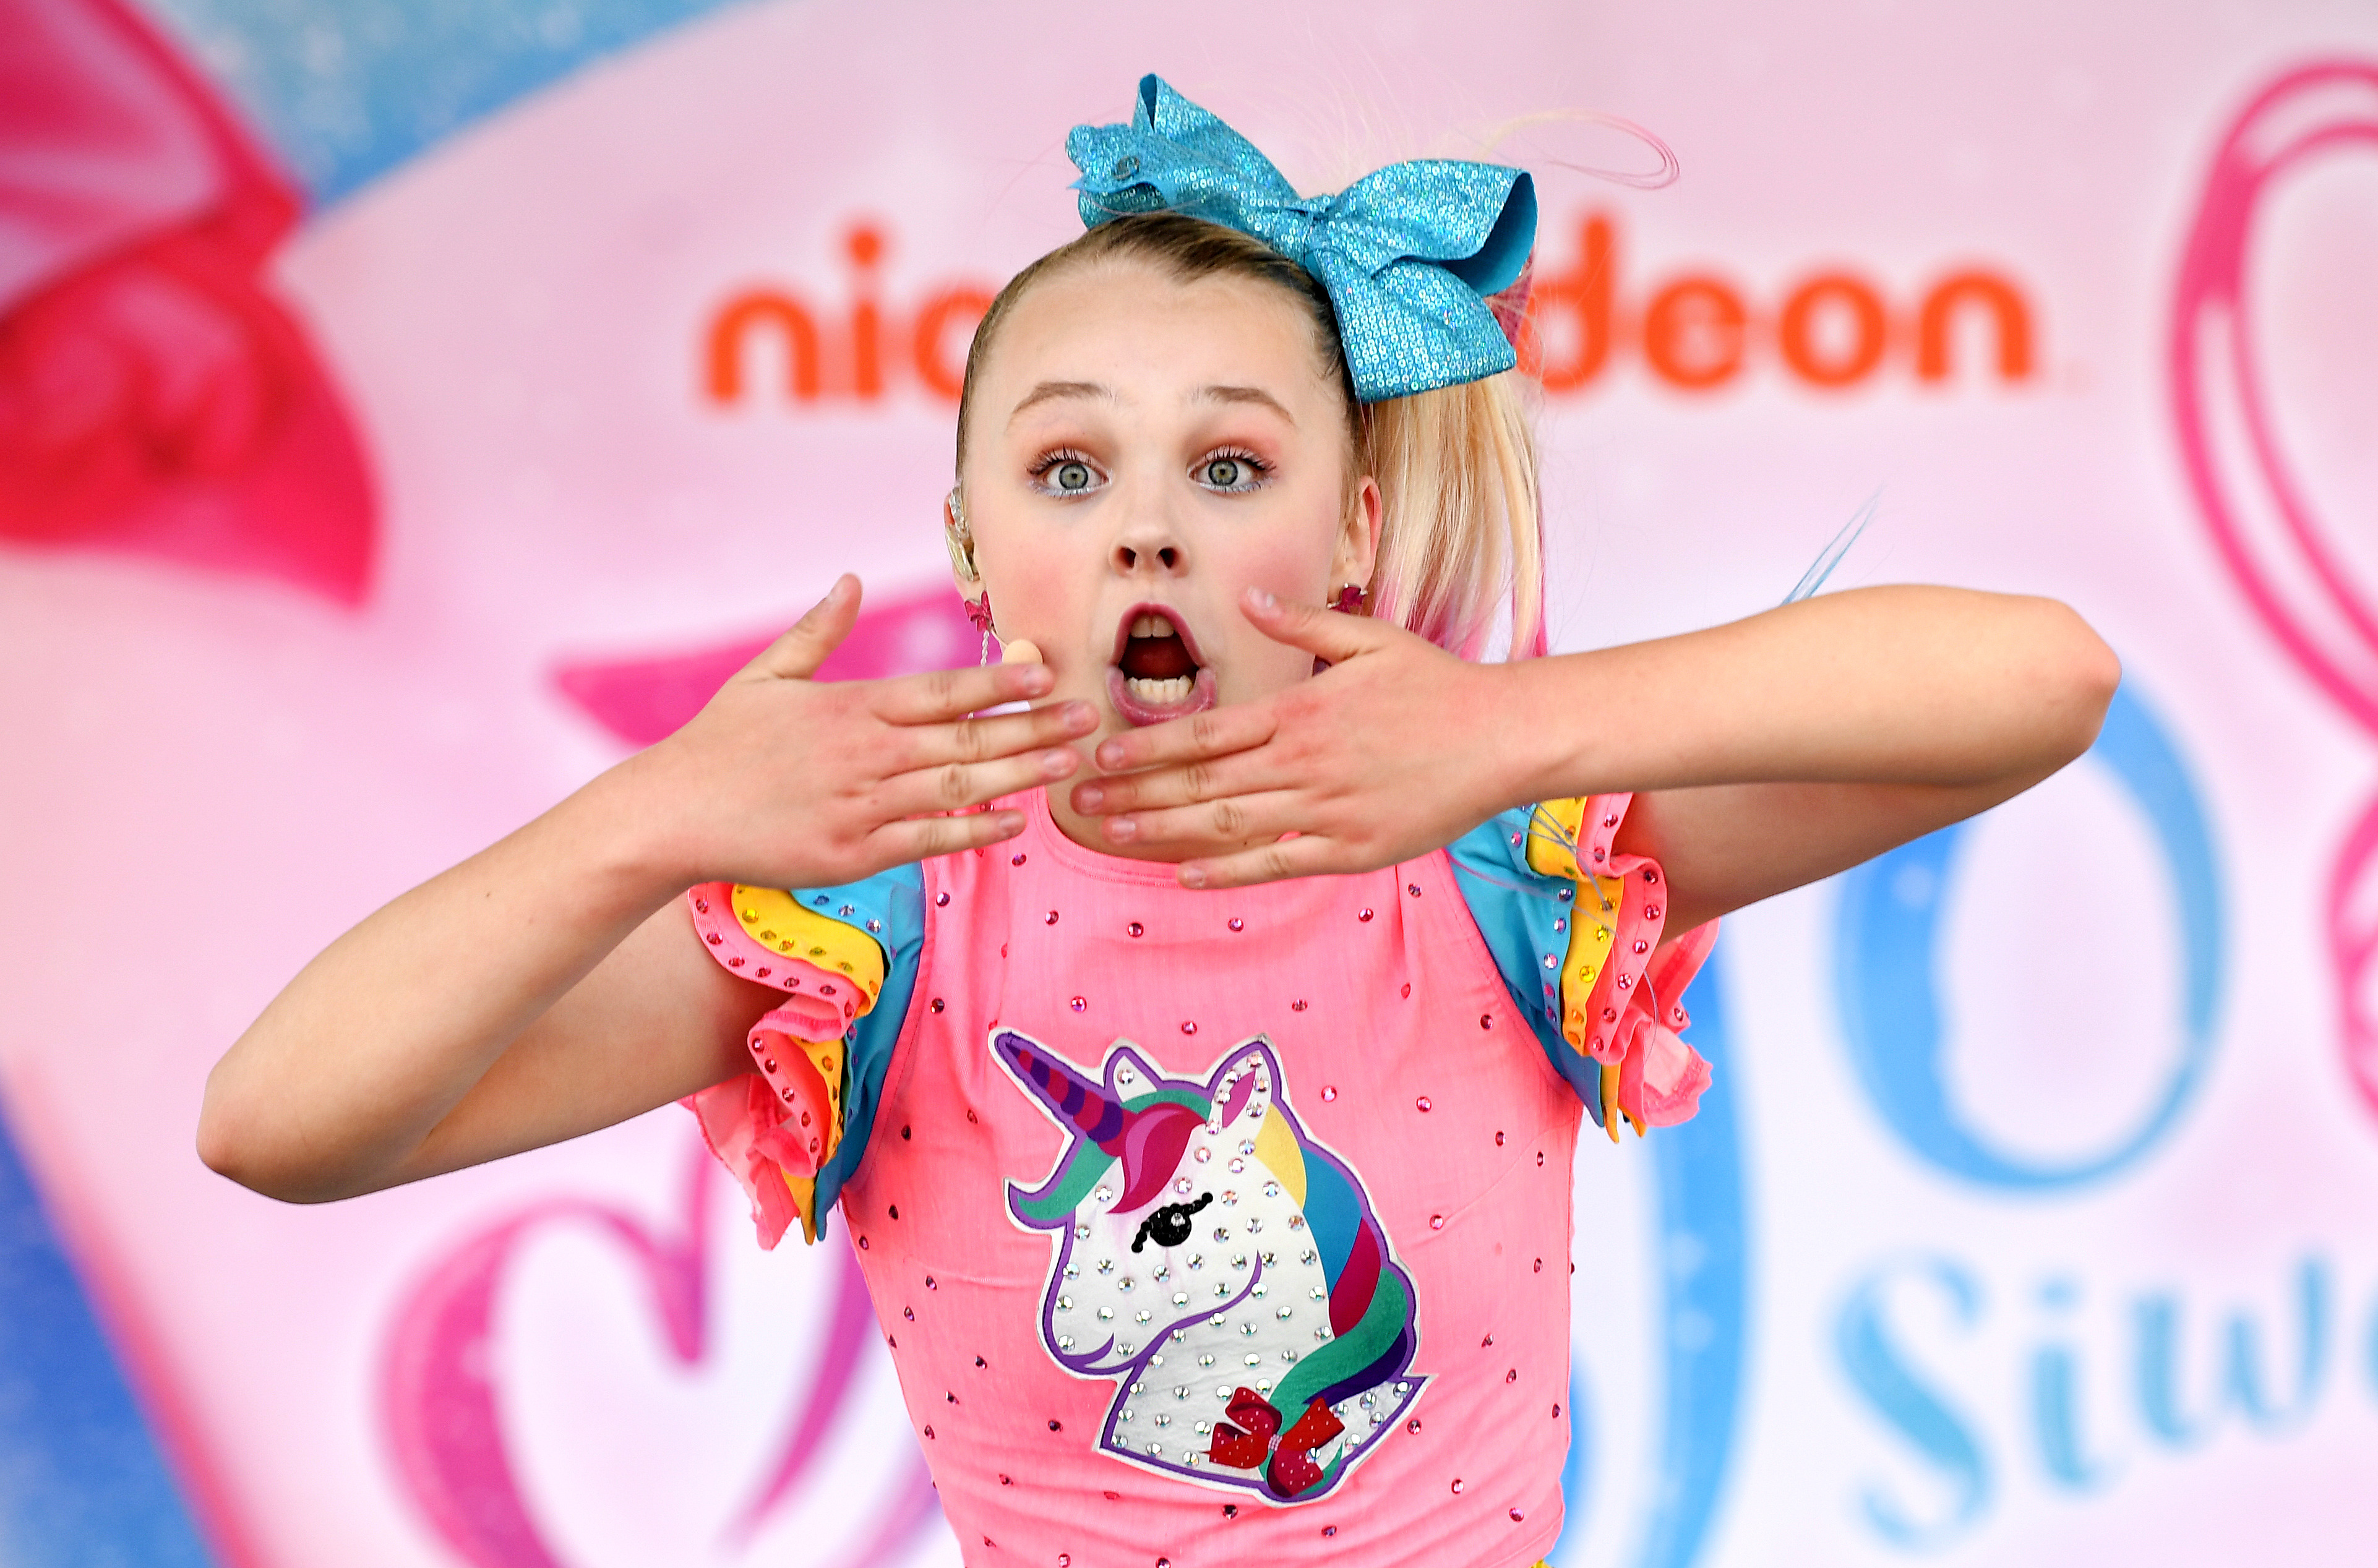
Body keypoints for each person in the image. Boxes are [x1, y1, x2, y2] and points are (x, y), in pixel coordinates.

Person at [200, 75, 2118, 1566]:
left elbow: (2044, 679)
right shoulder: (875, 940)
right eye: (1065, 467)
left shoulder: (1505, 862)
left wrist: (1515, 729)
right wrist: (644, 818)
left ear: (1352, 530)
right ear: (969, 547)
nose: (1143, 526)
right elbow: (276, 1127)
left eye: (1225, 463)